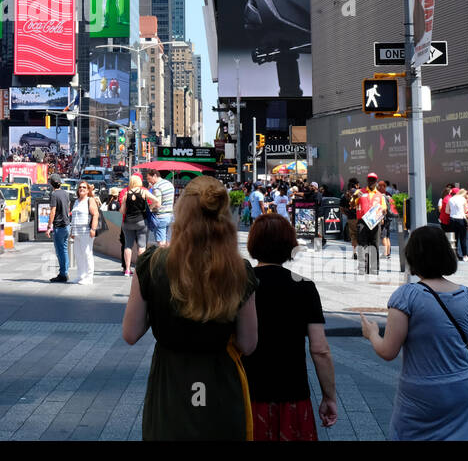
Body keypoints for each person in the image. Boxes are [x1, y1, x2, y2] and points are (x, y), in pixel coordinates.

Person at [122, 176, 258, 440]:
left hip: (171, 386)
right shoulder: (239, 270)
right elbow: (249, 343)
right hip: (220, 385)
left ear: (181, 212)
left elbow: (130, 333)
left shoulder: (153, 263)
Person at [361, 226, 468, 440]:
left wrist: (372, 333)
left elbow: (388, 351)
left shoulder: (406, 297)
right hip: (463, 387)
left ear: (412, 256)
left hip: (421, 393)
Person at [243, 213, 338, 440]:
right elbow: (320, 349)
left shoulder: (241, 285)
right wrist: (329, 396)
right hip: (292, 393)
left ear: (253, 244)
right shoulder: (305, 287)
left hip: (246, 394)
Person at [44, 176, 73, 283]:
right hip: (66, 225)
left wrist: (48, 227)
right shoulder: (66, 194)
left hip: (59, 226)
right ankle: (65, 272)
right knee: (64, 250)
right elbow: (68, 207)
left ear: (51, 184)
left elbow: (53, 211)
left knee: (60, 251)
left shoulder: (54, 195)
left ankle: (62, 274)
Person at [70, 181, 99, 285]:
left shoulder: (90, 200)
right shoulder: (76, 201)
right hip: (77, 231)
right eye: (80, 187)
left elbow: (95, 214)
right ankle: (81, 275)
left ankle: (89, 277)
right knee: (78, 254)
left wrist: (93, 229)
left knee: (87, 253)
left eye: (84, 187)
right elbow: (73, 217)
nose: (81, 189)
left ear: (87, 190)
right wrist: (72, 231)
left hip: (86, 231)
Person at [120, 175, 150, 276]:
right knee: (142, 246)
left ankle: (127, 270)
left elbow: (122, 211)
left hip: (128, 222)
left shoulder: (125, 193)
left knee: (128, 246)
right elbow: (156, 202)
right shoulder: (144, 191)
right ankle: (139, 269)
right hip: (141, 221)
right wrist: (148, 208)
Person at [146, 169, 176, 246]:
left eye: (149, 179)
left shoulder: (157, 187)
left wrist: (150, 208)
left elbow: (157, 203)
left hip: (160, 216)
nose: (149, 182)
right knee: (168, 240)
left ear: (155, 176)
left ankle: (162, 257)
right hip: (170, 216)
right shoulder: (169, 184)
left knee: (161, 242)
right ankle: (168, 257)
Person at [447, 184, 468, 260]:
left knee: (454, 238)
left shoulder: (450, 199)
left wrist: (453, 212)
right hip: (461, 219)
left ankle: (455, 255)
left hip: (452, 219)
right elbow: (466, 210)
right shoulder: (463, 199)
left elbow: (447, 211)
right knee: (463, 238)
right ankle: (465, 256)